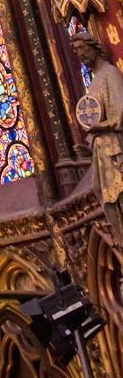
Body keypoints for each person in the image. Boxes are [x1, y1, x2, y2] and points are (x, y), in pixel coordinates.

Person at [71, 32, 123, 247]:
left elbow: (120, 115)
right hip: (102, 151)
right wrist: (89, 149)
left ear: (94, 46)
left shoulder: (110, 74)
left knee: (118, 197)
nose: (80, 54)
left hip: (115, 149)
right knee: (105, 196)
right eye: (75, 51)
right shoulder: (95, 81)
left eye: (82, 48)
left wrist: (97, 128)